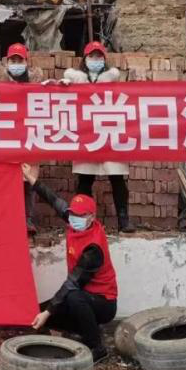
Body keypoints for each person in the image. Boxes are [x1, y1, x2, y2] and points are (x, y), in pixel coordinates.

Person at [25, 163, 116, 362]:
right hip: (83, 297)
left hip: (103, 302)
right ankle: (85, 329)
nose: (74, 218)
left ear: (91, 217)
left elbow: (73, 283)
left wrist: (49, 311)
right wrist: (31, 179)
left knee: (70, 299)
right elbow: (54, 200)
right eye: (73, 214)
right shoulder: (75, 221)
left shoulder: (94, 248)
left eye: (80, 215)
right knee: (40, 312)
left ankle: (97, 347)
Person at [63, 42, 135, 233]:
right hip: (87, 133)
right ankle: (81, 219)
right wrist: (63, 87)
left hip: (109, 132)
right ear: (85, 59)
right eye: (92, 57)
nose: (96, 60)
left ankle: (123, 220)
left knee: (117, 177)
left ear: (104, 59)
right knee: (85, 179)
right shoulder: (75, 80)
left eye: (99, 57)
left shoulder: (113, 79)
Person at [0, 43, 45, 235]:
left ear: (26, 62)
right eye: (12, 60)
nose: (16, 64)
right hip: (5, 137)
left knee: (27, 181)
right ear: (7, 62)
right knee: (5, 182)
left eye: (19, 60)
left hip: (28, 137)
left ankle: (28, 220)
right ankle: (6, 220)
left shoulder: (36, 84)